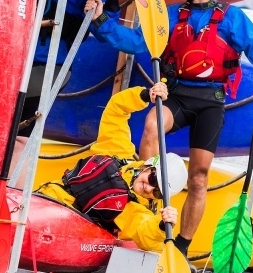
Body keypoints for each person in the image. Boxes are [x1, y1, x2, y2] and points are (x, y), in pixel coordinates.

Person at [85, 0, 253, 257]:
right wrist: (101, 19)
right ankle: (145, 204)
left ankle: (182, 245)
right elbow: (134, 42)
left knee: (198, 178)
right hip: (177, 94)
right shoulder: (169, 14)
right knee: (153, 126)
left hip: (211, 102)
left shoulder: (232, 18)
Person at [11, 82, 188, 252]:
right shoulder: (117, 150)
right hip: (48, 200)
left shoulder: (134, 209)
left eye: (157, 192)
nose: (149, 188)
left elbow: (144, 232)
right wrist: (144, 95)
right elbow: (116, 110)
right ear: (147, 167)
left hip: (70, 230)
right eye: (152, 179)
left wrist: (160, 226)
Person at [19, 0, 147, 135]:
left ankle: (16, 158)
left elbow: (106, 31)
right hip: (16, 60)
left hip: (50, 66)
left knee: (20, 125)